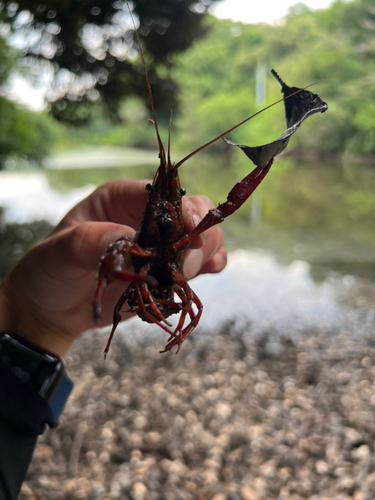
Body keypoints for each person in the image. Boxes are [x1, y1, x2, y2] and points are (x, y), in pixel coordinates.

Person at [0, 179, 227, 499]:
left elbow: (195, 307)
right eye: (153, 195)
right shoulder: (129, 245)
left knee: (194, 301)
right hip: (139, 293)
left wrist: (32, 316)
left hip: (151, 291)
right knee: (123, 247)